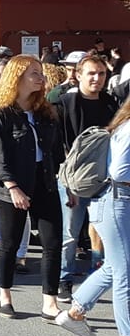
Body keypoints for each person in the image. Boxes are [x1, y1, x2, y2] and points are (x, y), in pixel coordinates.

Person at [0, 55, 64, 319]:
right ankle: (5, 296)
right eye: (33, 73)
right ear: (16, 77)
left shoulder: (46, 112)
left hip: (45, 182)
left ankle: (49, 302)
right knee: (10, 243)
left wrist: (66, 184)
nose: (40, 77)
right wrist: (13, 187)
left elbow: (56, 151)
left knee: (52, 242)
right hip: (13, 186)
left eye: (40, 72)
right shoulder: (0, 113)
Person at [54, 92, 130, 336]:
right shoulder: (129, 127)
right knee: (125, 270)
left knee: (114, 266)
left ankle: (75, 314)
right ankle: (128, 334)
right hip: (117, 201)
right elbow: (119, 171)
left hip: (116, 202)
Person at [51, 54, 118, 298]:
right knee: (70, 232)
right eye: (91, 73)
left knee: (101, 230)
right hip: (72, 178)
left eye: (101, 74)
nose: (96, 79)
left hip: (103, 179)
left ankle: (95, 276)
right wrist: (66, 180)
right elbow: (57, 144)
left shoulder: (111, 103)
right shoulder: (65, 103)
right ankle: (64, 279)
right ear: (78, 75)